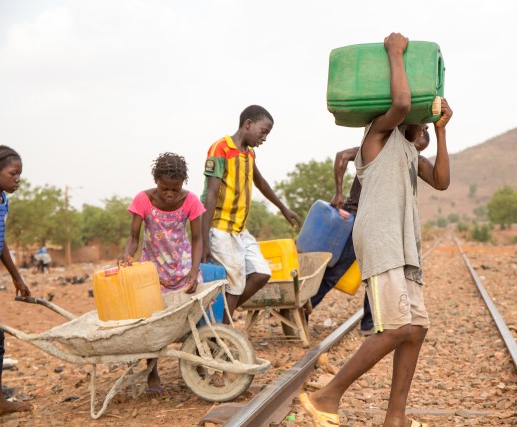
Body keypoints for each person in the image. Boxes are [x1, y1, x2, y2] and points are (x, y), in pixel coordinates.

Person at [300, 32, 452, 427]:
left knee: (417, 329)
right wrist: (395, 52)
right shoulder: (377, 137)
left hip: (404, 246)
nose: (422, 128)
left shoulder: (408, 152)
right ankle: (325, 396)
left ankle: (395, 418)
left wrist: (442, 131)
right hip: (382, 240)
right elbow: (401, 102)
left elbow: (442, 180)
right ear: (404, 122)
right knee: (397, 327)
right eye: (420, 124)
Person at [311, 122, 447, 335]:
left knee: (381, 271)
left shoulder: (413, 159)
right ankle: (306, 306)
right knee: (337, 270)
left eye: (419, 149)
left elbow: (441, 181)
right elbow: (341, 156)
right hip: (358, 218)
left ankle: (369, 323)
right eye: (415, 142)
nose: (415, 151)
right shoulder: (382, 148)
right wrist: (339, 192)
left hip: (385, 225)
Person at [201, 105, 301, 323]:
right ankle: (221, 335)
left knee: (261, 274)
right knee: (235, 286)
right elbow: (211, 193)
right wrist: (204, 239)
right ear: (248, 124)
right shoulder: (221, 149)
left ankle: (220, 321)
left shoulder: (249, 153)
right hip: (221, 228)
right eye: (263, 131)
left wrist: (284, 208)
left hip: (239, 229)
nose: (264, 138)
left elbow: (261, 182)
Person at [120, 152, 205, 394]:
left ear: (182, 184)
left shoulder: (191, 201)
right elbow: (133, 237)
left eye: (175, 189)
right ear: (155, 180)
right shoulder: (143, 200)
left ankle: (197, 360)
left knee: (195, 313)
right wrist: (128, 255)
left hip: (183, 266)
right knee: (151, 319)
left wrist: (194, 270)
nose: (170, 193)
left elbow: (198, 239)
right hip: (152, 269)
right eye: (165, 188)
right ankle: (152, 369)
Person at [0, 146, 33, 416]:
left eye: (19, 174)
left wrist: (17, 277)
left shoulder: (3, 200)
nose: (17, 179)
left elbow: (1, 242)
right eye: (13, 173)